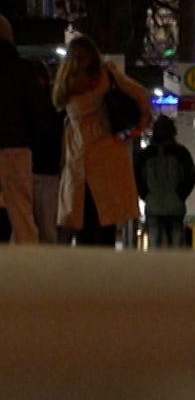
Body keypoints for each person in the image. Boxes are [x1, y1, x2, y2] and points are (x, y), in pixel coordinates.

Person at [51, 35, 151, 246]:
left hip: (78, 167)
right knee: (104, 230)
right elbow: (141, 95)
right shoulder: (106, 77)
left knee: (84, 231)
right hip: (107, 162)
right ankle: (102, 276)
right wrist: (138, 125)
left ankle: (87, 276)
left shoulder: (64, 88)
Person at [0, 14, 59, 245]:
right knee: (21, 215)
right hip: (16, 148)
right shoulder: (22, 70)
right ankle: (28, 269)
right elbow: (39, 115)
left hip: (14, 144)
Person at [134, 115, 195, 248]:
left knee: (155, 244)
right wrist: (180, 195)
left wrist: (146, 195)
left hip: (153, 204)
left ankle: (157, 268)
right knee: (176, 245)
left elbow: (137, 178)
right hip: (175, 205)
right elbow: (191, 176)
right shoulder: (181, 152)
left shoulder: (145, 154)